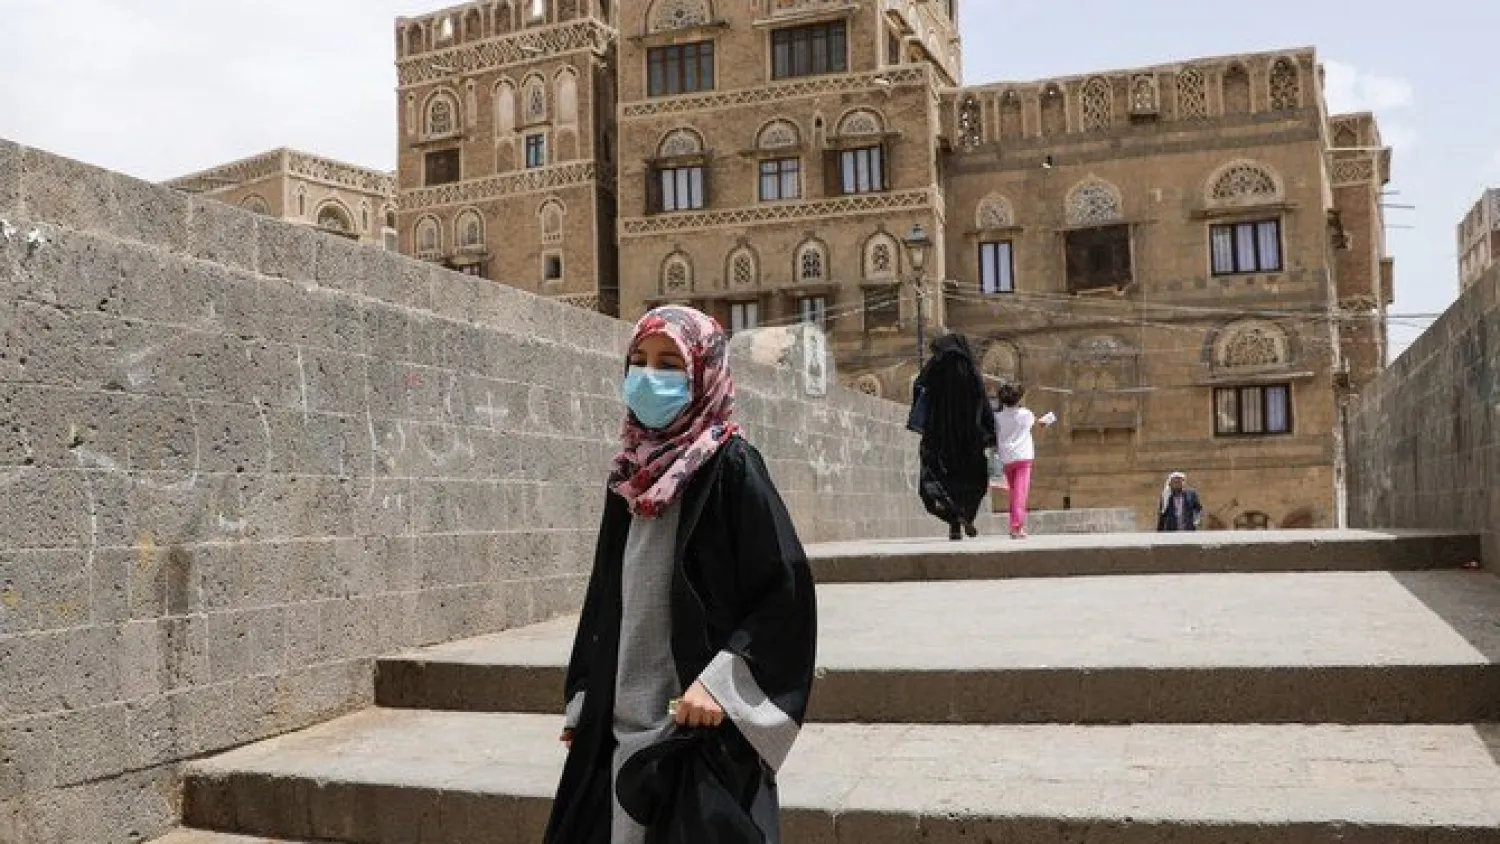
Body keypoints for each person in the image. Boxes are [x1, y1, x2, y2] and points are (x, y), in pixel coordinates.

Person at [544, 305, 818, 844]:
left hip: (691, 724)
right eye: (639, 361)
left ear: (703, 372)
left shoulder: (731, 466)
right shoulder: (628, 475)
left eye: (669, 364)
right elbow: (604, 594)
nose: (649, 377)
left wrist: (722, 686)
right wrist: (584, 697)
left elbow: (784, 593)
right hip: (618, 720)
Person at [912, 333, 997, 541]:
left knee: (937, 481)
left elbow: (919, 388)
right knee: (970, 481)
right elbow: (982, 401)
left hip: (939, 438)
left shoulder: (935, 367)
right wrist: (989, 431)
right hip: (969, 440)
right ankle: (965, 516)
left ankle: (953, 521)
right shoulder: (969, 370)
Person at [992, 383, 1055, 539]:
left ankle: (1014, 526)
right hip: (1023, 458)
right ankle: (1017, 527)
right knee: (1020, 493)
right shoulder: (1026, 414)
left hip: (1006, 458)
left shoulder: (997, 417)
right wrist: (1050, 418)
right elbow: (1040, 424)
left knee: (1014, 492)